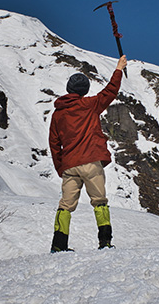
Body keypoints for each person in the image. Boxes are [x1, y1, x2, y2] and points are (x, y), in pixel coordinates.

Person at [49, 55, 127, 252]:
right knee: (99, 201)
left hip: (70, 165)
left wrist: (61, 167)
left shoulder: (58, 114)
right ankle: (105, 242)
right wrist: (119, 68)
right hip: (91, 161)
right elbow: (111, 91)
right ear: (84, 91)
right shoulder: (90, 104)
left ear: (68, 89)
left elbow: (54, 143)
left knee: (65, 205)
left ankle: (58, 246)